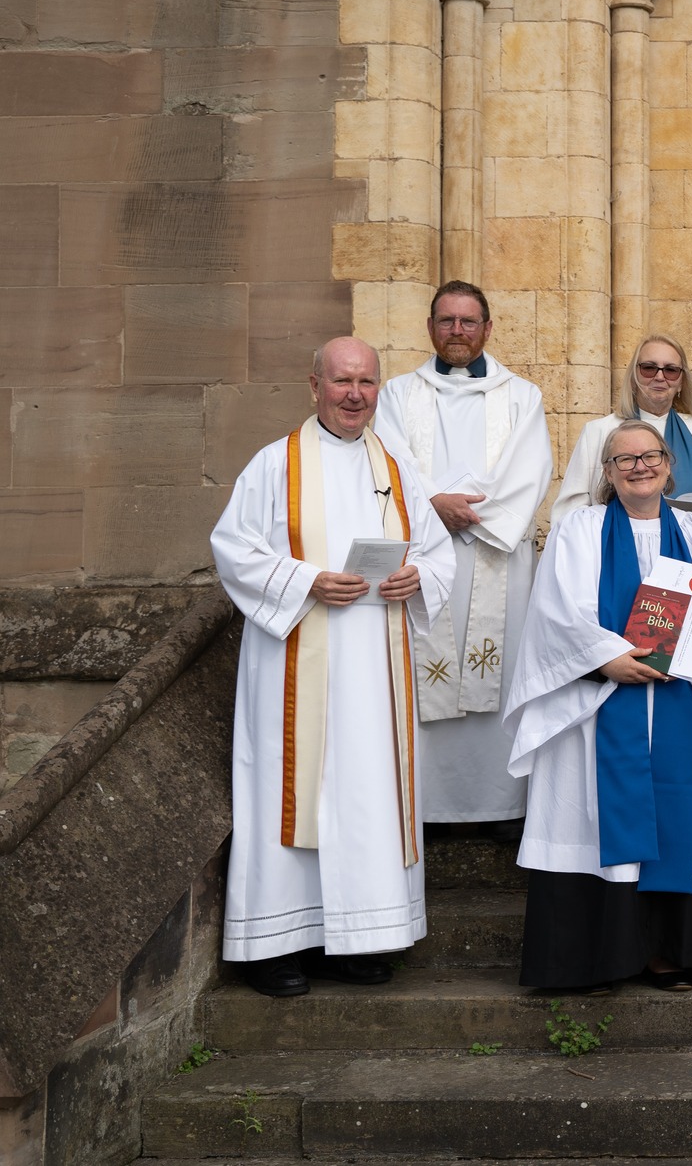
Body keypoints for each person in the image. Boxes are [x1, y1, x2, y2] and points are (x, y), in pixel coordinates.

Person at [211, 337, 456, 997]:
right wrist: (304, 581)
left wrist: (417, 577)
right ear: (313, 384)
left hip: (376, 666)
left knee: (366, 791)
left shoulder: (396, 466)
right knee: (291, 793)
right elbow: (233, 549)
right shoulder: (274, 465)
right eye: (343, 380)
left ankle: (361, 937)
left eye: (367, 382)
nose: (355, 393)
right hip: (295, 661)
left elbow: (437, 551)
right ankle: (276, 946)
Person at [503, 420, 692, 992]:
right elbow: (556, 610)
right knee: (596, 823)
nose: (640, 466)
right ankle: (596, 957)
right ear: (606, 473)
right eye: (624, 459)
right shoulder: (578, 529)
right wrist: (606, 658)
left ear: (668, 464)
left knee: (675, 822)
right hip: (599, 701)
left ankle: (667, 953)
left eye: (651, 455)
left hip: (680, 697)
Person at [373, 280, 553, 837]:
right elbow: (386, 464)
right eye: (447, 321)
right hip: (423, 559)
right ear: (430, 328)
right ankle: (425, 808)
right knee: (420, 677)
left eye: (468, 321)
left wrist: (467, 513)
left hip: (496, 557)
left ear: (488, 328)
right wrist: (432, 506)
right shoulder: (397, 396)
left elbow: (532, 471)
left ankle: (501, 808)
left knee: (500, 681)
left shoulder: (523, 396)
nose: (457, 331)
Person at [553, 334, 692, 559]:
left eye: (670, 370)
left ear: (681, 382)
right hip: (613, 556)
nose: (659, 377)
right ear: (634, 376)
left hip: (689, 558)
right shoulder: (597, 432)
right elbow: (572, 509)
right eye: (649, 368)